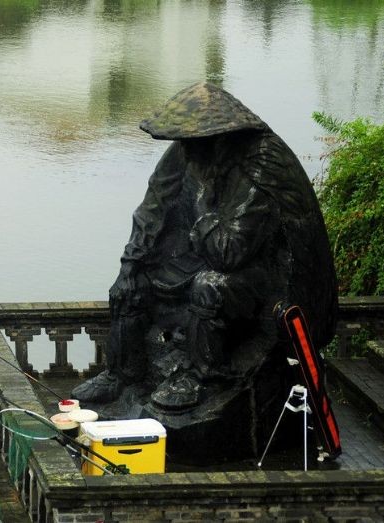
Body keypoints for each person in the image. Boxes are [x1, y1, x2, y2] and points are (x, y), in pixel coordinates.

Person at [72, 83, 337, 410]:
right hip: (207, 252)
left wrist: (203, 200)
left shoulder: (260, 165)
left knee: (209, 286)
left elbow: (230, 253)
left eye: (193, 143)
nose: (185, 151)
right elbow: (152, 208)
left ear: (218, 139)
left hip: (259, 278)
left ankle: (203, 376)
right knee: (132, 284)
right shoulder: (189, 152)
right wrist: (130, 265)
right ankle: (123, 373)